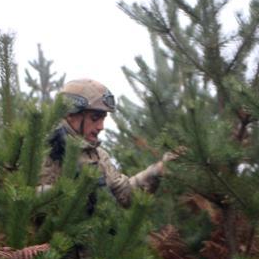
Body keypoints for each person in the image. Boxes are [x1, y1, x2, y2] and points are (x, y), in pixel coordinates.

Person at [38, 79, 178, 209]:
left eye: (103, 119)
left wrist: (155, 172)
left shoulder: (99, 156)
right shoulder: (39, 149)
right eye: (95, 118)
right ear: (70, 114)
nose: (101, 127)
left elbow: (123, 194)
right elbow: (27, 201)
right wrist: (66, 194)